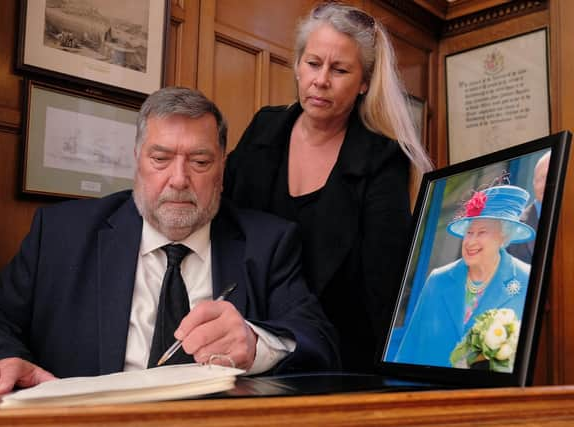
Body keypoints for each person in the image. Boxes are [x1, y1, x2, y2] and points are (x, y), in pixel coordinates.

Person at [0, 87, 339, 402]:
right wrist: (2, 359)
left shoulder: (268, 242)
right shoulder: (61, 233)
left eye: (200, 162)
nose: (179, 179)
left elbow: (318, 341)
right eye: (161, 158)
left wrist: (258, 345)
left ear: (222, 169)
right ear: (136, 160)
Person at [222, 2, 432, 372]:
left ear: (364, 82)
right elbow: (225, 229)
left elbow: (384, 287)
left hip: (337, 356)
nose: (321, 80)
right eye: (313, 63)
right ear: (298, 66)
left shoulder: (382, 159)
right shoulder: (263, 128)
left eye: (339, 70)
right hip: (250, 344)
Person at [395, 185, 535, 368]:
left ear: (503, 237)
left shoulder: (526, 279)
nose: (470, 241)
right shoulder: (438, 280)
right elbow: (408, 351)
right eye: (469, 232)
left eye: (482, 232)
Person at [508, 151, 550, 263]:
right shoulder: (513, 229)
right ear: (533, 183)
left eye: (549, 176)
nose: (545, 184)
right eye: (540, 178)